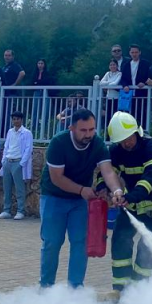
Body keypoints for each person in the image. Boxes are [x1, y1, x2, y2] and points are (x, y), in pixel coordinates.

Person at [38, 109, 126, 288]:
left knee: (80, 242)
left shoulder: (97, 143)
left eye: (92, 129)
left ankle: (76, 288)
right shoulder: (58, 143)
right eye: (83, 130)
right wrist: (81, 190)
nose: (88, 134)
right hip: (54, 197)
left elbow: (108, 171)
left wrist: (117, 191)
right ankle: (46, 287)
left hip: (80, 201)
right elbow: (57, 178)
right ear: (71, 128)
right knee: (52, 242)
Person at [105, 112, 152, 296]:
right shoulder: (116, 151)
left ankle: (139, 293)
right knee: (120, 241)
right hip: (132, 205)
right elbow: (108, 173)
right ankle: (120, 290)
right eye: (122, 141)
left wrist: (131, 197)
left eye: (129, 138)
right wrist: (108, 190)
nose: (126, 144)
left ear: (137, 132)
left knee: (147, 250)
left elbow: (150, 178)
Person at [0, 111, 33, 220]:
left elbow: (28, 149)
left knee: (19, 188)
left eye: (18, 119)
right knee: (6, 187)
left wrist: (22, 163)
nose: (16, 121)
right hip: (8, 161)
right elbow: (6, 146)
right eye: (14, 119)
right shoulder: (10, 132)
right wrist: (4, 160)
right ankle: (6, 210)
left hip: (18, 161)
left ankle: (20, 211)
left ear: (21, 120)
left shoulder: (26, 133)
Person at [119, 44, 148, 127]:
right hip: (129, 94)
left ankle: (142, 132)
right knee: (129, 116)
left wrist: (144, 83)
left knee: (142, 115)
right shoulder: (126, 65)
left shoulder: (145, 64)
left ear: (139, 52)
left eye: (136, 52)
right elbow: (123, 78)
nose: (134, 54)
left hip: (142, 94)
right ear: (129, 53)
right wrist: (125, 85)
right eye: (132, 52)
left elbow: (149, 76)